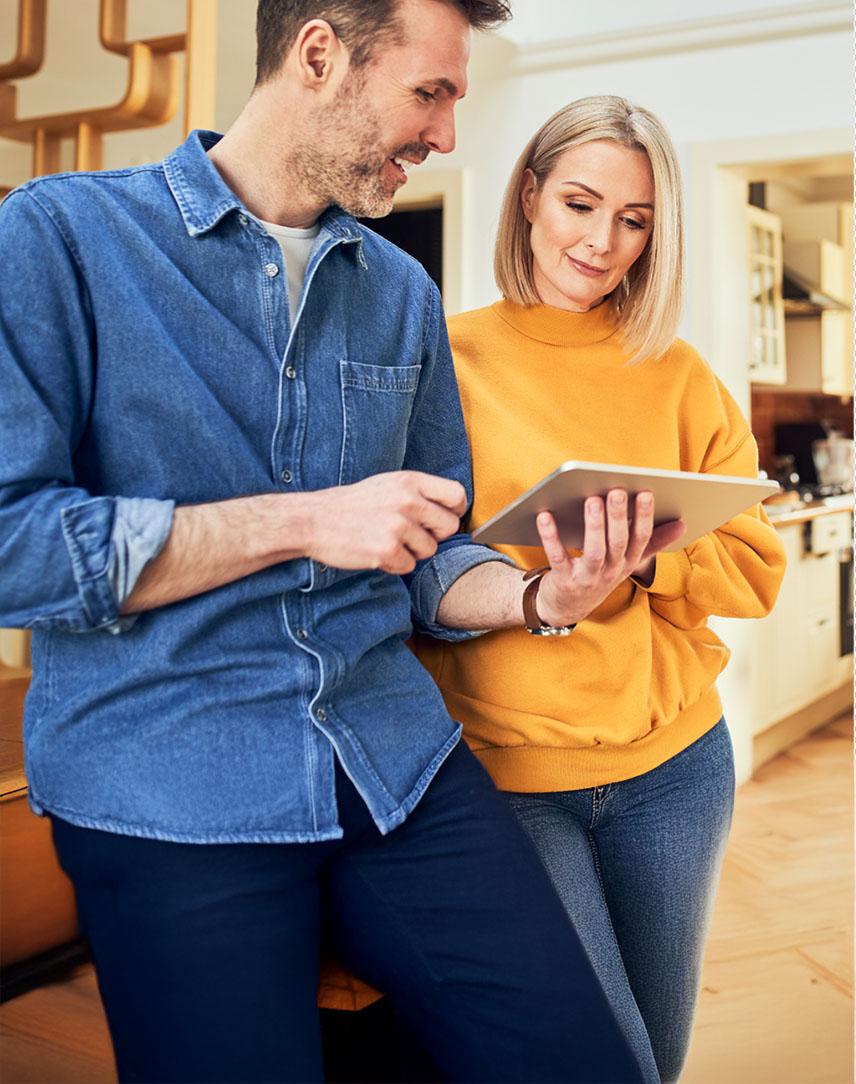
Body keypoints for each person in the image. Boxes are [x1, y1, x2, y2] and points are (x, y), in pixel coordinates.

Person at [0, 7, 658, 1081]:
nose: (445, 135)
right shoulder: (60, 237)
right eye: (429, 94)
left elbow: (431, 549)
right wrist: (300, 520)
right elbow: (10, 546)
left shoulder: (399, 291)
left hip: (390, 756)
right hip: (167, 773)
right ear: (318, 55)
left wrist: (545, 597)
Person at [414, 95, 788, 1084]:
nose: (602, 241)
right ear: (529, 195)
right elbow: (417, 569)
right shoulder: (442, 359)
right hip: (513, 778)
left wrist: (643, 557)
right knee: (595, 1061)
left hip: (675, 770)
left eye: (634, 221)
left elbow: (754, 570)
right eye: (580, 203)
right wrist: (539, 591)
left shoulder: (678, 376)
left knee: (652, 1063)